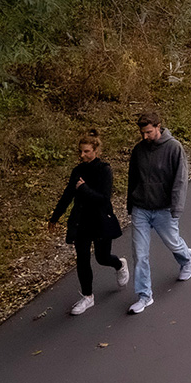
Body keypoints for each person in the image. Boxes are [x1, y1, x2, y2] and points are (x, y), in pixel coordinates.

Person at [46, 133, 126, 315]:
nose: (82, 155)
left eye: (86, 151)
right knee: (82, 258)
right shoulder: (78, 171)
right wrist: (55, 217)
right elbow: (68, 195)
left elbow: (104, 199)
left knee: (102, 257)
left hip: (100, 220)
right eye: (80, 151)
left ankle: (119, 265)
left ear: (96, 151)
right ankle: (87, 297)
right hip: (81, 221)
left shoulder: (104, 170)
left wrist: (84, 189)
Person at [124, 113, 191, 314]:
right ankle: (145, 296)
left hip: (164, 209)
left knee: (173, 242)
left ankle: (186, 258)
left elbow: (180, 180)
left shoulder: (174, 148)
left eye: (149, 132)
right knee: (140, 254)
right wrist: (131, 204)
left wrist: (176, 207)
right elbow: (132, 178)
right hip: (141, 209)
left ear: (158, 127)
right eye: (142, 133)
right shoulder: (139, 151)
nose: (145, 136)